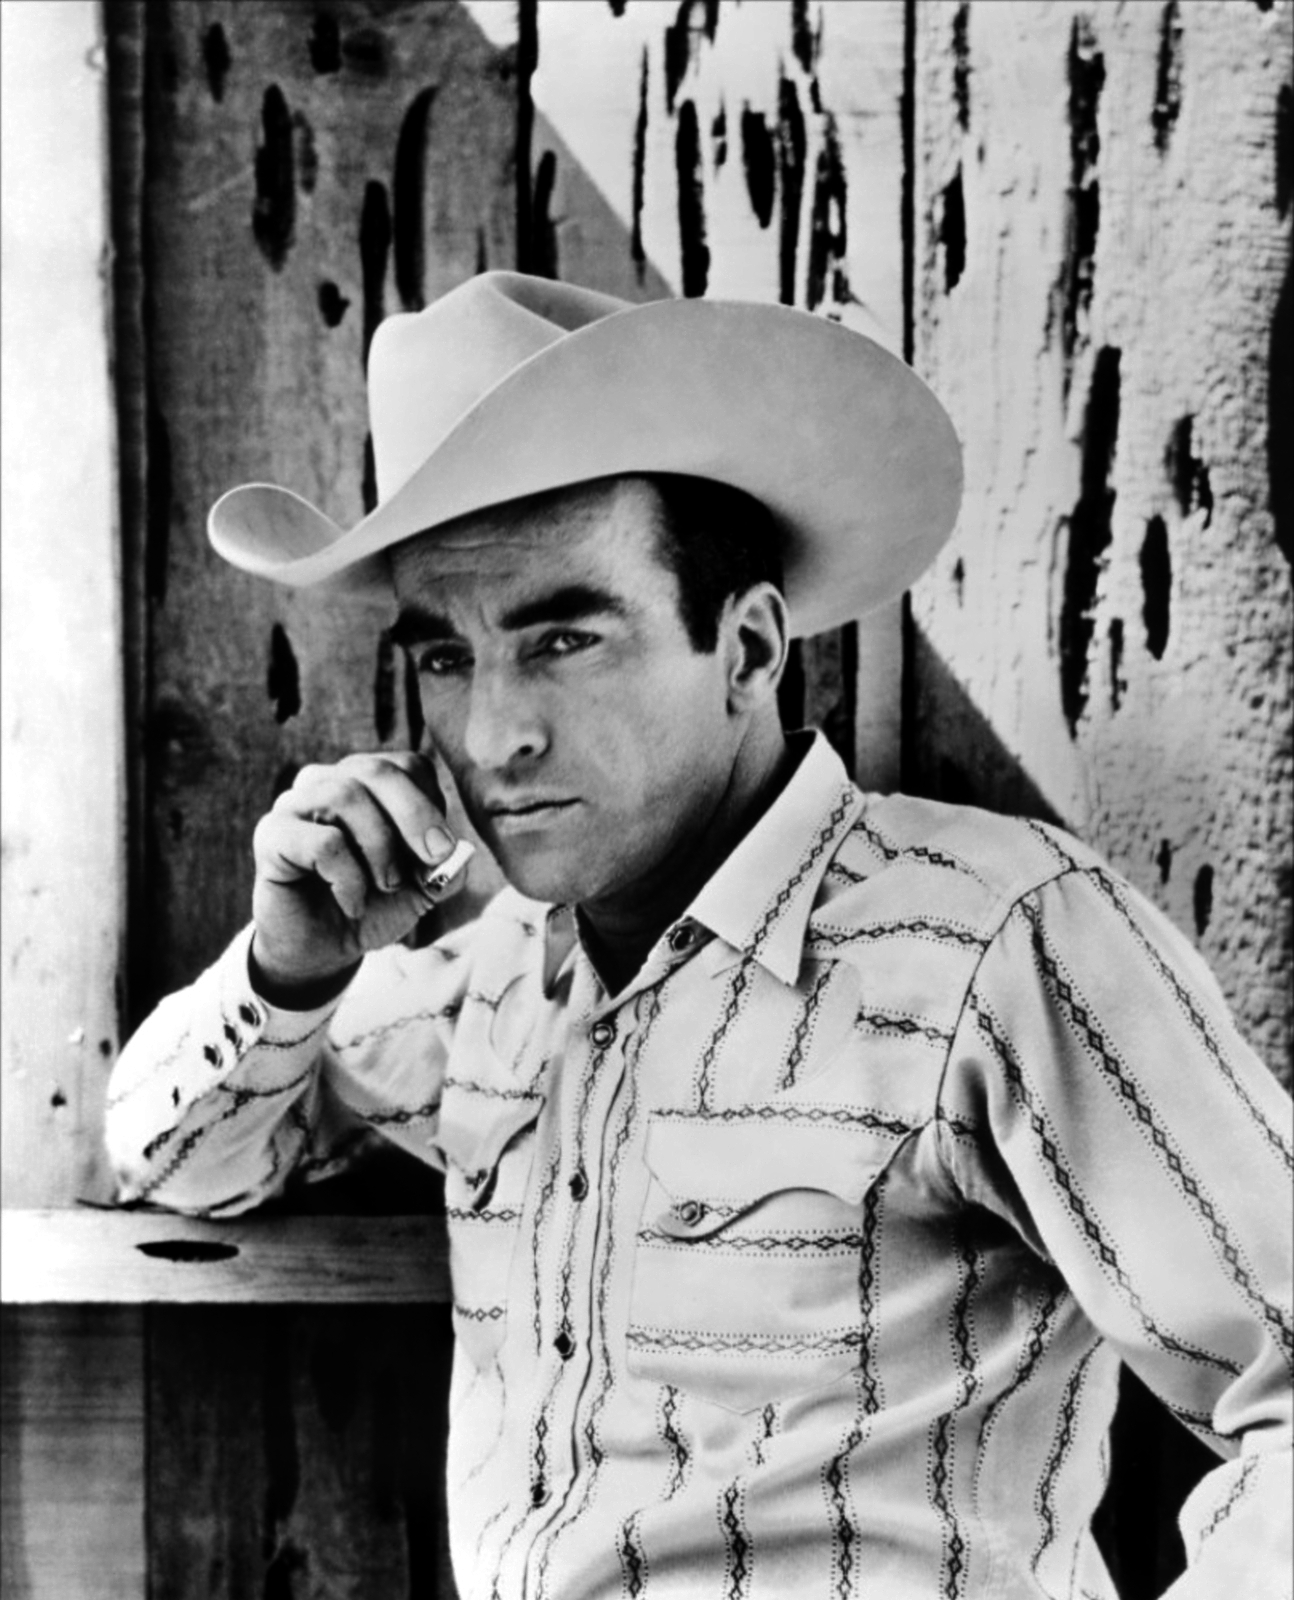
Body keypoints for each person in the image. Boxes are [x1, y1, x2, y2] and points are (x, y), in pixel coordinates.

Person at [106, 271, 1291, 1599]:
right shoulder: (494, 984)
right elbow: (178, 1160)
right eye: (445, 657)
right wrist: (291, 971)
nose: (493, 735)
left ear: (748, 649)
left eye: (565, 640)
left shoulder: (993, 943)